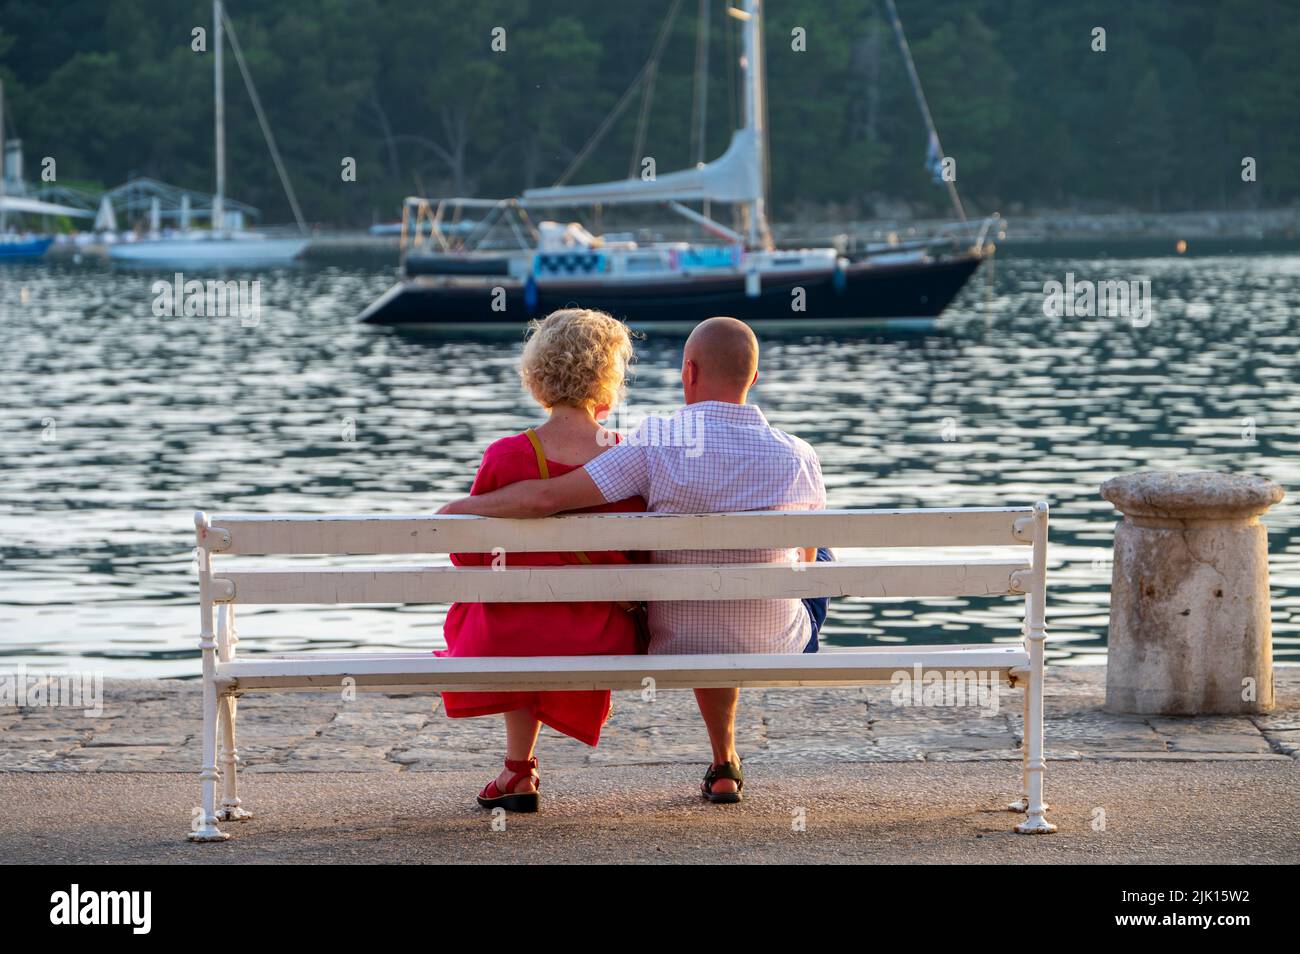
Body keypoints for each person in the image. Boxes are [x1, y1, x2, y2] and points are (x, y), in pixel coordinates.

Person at [439, 316, 830, 804]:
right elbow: (809, 564)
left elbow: (544, 500)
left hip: (674, 637)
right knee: (811, 553)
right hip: (774, 642)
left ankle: (520, 766)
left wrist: (459, 511)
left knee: (700, 585)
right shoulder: (798, 456)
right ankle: (724, 760)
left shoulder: (653, 443)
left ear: (688, 372)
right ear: (754, 378)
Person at [437, 308, 646, 813]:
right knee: (544, 609)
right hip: (598, 634)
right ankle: (517, 772)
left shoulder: (507, 456)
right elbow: (645, 556)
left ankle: (518, 770)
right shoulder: (630, 455)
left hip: (505, 635)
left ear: (538, 375)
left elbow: (468, 551)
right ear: (609, 379)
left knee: (511, 606)